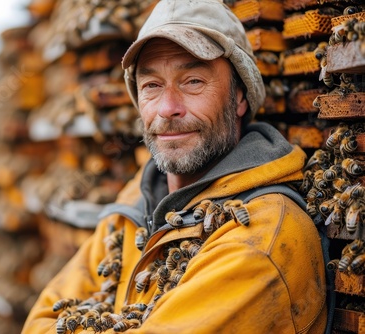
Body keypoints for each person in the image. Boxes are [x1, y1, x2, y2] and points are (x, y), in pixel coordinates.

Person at [22, 0, 328, 333]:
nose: (168, 108)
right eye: (152, 86)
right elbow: (39, 322)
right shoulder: (136, 200)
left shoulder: (262, 240)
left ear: (240, 96)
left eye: (193, 81)